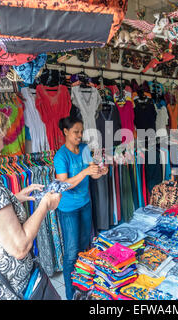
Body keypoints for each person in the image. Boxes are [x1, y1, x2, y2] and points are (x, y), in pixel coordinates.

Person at [0, 98, 62, 300]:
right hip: (12, 290)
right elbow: (20, 246)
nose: (4, 141)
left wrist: (15, 198)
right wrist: (45, 205)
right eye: (0, 135)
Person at [54, 116, 108, 300]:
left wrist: (100, 171)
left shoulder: (85, 149)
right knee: (71, 253)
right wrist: (85, 171)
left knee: (86, 247)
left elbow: (92, 175)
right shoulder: (61, 156)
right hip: (68, 209)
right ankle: (70, 295)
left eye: (81, 131)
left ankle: (84, 289)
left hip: (85, 203)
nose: (79, 135)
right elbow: (63, 184)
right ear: (66, 132)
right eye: (76, 132)